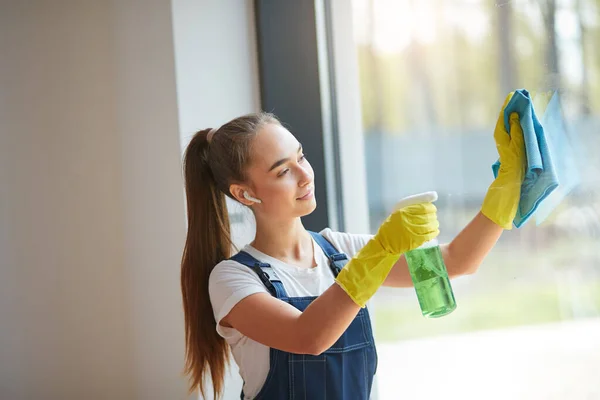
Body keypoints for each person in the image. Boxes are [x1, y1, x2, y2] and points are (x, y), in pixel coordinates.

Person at [180, 96, 525, 399]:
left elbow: (455, 262)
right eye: (283, 170)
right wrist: (380, 252)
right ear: (245, 194)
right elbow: (308, 337)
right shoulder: (232, 279)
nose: (305, 175)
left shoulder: (339, 250)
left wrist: (505, 190)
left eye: (301, 157)